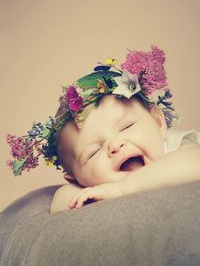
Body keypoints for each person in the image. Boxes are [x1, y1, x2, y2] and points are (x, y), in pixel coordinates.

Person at [7, 46, 200, 213]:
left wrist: (123, 189)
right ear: (76, 177)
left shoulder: (179, 148)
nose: (115, 145)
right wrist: (84, 193)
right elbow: (62, 202)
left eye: (127, 126)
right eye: (93, 153)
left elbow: (193, 165)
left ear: (158, 122)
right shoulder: (91, 185)